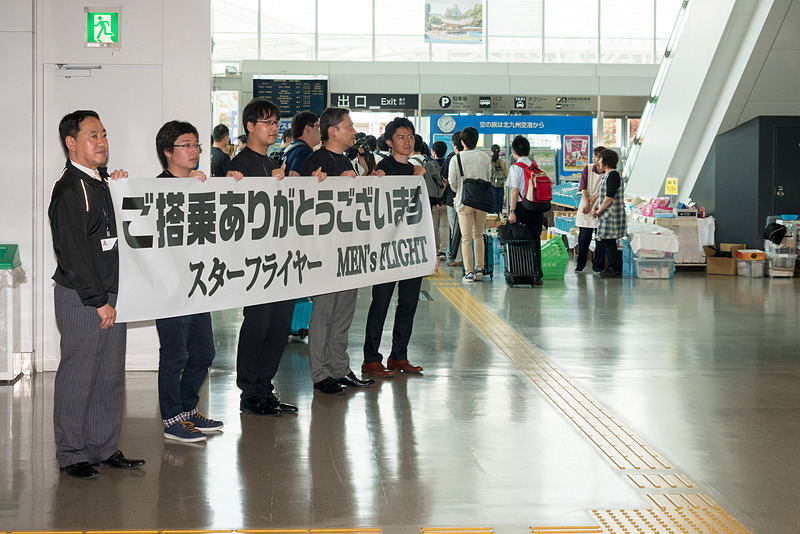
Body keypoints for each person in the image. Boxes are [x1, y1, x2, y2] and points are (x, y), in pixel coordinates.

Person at [49, 110, 144, 478]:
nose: (102, 142)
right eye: (92, 135)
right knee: (78, 374)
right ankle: (72, 453)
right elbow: (72, 252)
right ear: (71, 143)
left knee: (108, 375)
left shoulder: (102, 182)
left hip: (111, 293)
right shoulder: (69, 189)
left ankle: (103, 448)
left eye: (103, 134)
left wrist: (120, 186)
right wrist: (97, 300)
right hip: (84, 298)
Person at [153, 120, 236, 442]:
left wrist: (231, 183)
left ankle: (188, 411)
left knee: (203, 353)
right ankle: (172, 419)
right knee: (174, 356)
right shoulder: (155, 189)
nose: (194, 151)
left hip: (198, 285)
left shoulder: (200, 185)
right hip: (170, 288)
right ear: (167, 151)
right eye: (186, 145)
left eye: (197, 145)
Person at [228, 98, 301, 416]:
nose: (274, 128)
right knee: (258, 323)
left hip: (281, 259)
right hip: (255, 262)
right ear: (249, 126)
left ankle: (265, 388)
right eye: (268, 123)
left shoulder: (275, 164)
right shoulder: (240, 166)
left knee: (280, 324)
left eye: (276, 123)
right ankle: (249, 391)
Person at [301, 107, 376, 394]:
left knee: (344, 311)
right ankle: (321, 374)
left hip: (347, 250)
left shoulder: (345, 160)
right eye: (350, 126)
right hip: (324, 253)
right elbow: (305, 205)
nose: (354, 131)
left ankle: (340, 367)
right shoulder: (316, 160)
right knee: (324, 313)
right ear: (333, 131)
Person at [362, 117, 432, 378]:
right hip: (386, 250)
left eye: (411, 136)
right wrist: (374, 179)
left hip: (412, 248)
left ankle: (398, 355)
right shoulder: (383, 168)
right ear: (390, 142)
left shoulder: (418, 168)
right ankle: (371, 358)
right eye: (401, 137)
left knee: (409, 302)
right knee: (380, 302)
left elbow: (429, 205)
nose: (407, 141)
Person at [448, 126, 491, 282]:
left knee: (466, 238)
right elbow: (488, 177)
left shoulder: (456, 158)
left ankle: (469, 272)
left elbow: (452, 183)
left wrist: (460, 190)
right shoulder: (484, 157)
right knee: (478, 235)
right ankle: (480, 269)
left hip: (463, 201)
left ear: (462, 141)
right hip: (481, 201)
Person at [507, 136, 544, 286]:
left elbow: (515, 191)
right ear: (528, 151)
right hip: (537, 207)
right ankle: (537, 274)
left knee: (521, 240)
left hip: (523, 207)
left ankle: (522, 273)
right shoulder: (535, 166)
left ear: (514, 152)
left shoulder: (515, 167)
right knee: (535, 240)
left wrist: (512, 211)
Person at [592, 149, 625, 278]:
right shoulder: (607, 175)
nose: (598, 162)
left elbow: (609, 196)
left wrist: (599, 211)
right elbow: (602, 194)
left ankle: (615, 268)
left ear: (606, 161)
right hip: (605, 214)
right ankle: (613, 267)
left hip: (610, 214)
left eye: (600, 159)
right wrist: (595, 207)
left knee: (609, 241)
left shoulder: (614, 175)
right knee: (607, 241)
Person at [575, 146, 607, 274]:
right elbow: (583, 187)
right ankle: (580, 265)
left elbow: (603, 191)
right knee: (583, 238)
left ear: (602, 159)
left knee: (600, 239)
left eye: (596, 156)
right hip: (585, 206)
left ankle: (598, 266)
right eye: (593, 156)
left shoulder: (607, 172)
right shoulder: (587, 168)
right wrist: (587, 203)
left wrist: (592, 202)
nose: (593, 159)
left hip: (600, 206)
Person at [443, 131, 463, 267]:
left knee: (455, 229)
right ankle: (473, 260)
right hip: (473, 200)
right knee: (470, 231)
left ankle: (460, 258)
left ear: (455, 145)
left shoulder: (451, 159)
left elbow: (447, 181)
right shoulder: (479, 157)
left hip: (453, 199)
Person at [282, 111, 320, 175]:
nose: (319, 132)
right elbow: (294, 176)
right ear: (308, 129)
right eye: (317, 127)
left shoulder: (290, 148)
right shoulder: (304, 151)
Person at [430, 140, 449, 260]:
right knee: (446, 226)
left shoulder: (430, 165)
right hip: (446, 200)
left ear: (434, 152)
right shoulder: (448, 163)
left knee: (434, 226)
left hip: (434, 200)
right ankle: (443, 251)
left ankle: (436, 250)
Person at [489, 144, 508, 216]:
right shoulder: (502, 163)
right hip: (500, 186)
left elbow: (487, 175)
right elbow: (506, 175)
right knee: (499, 205)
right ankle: (499, 220)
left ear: (491, 151)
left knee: (492, 204)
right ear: (499, 152)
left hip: (492, 186)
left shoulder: (490, 162)